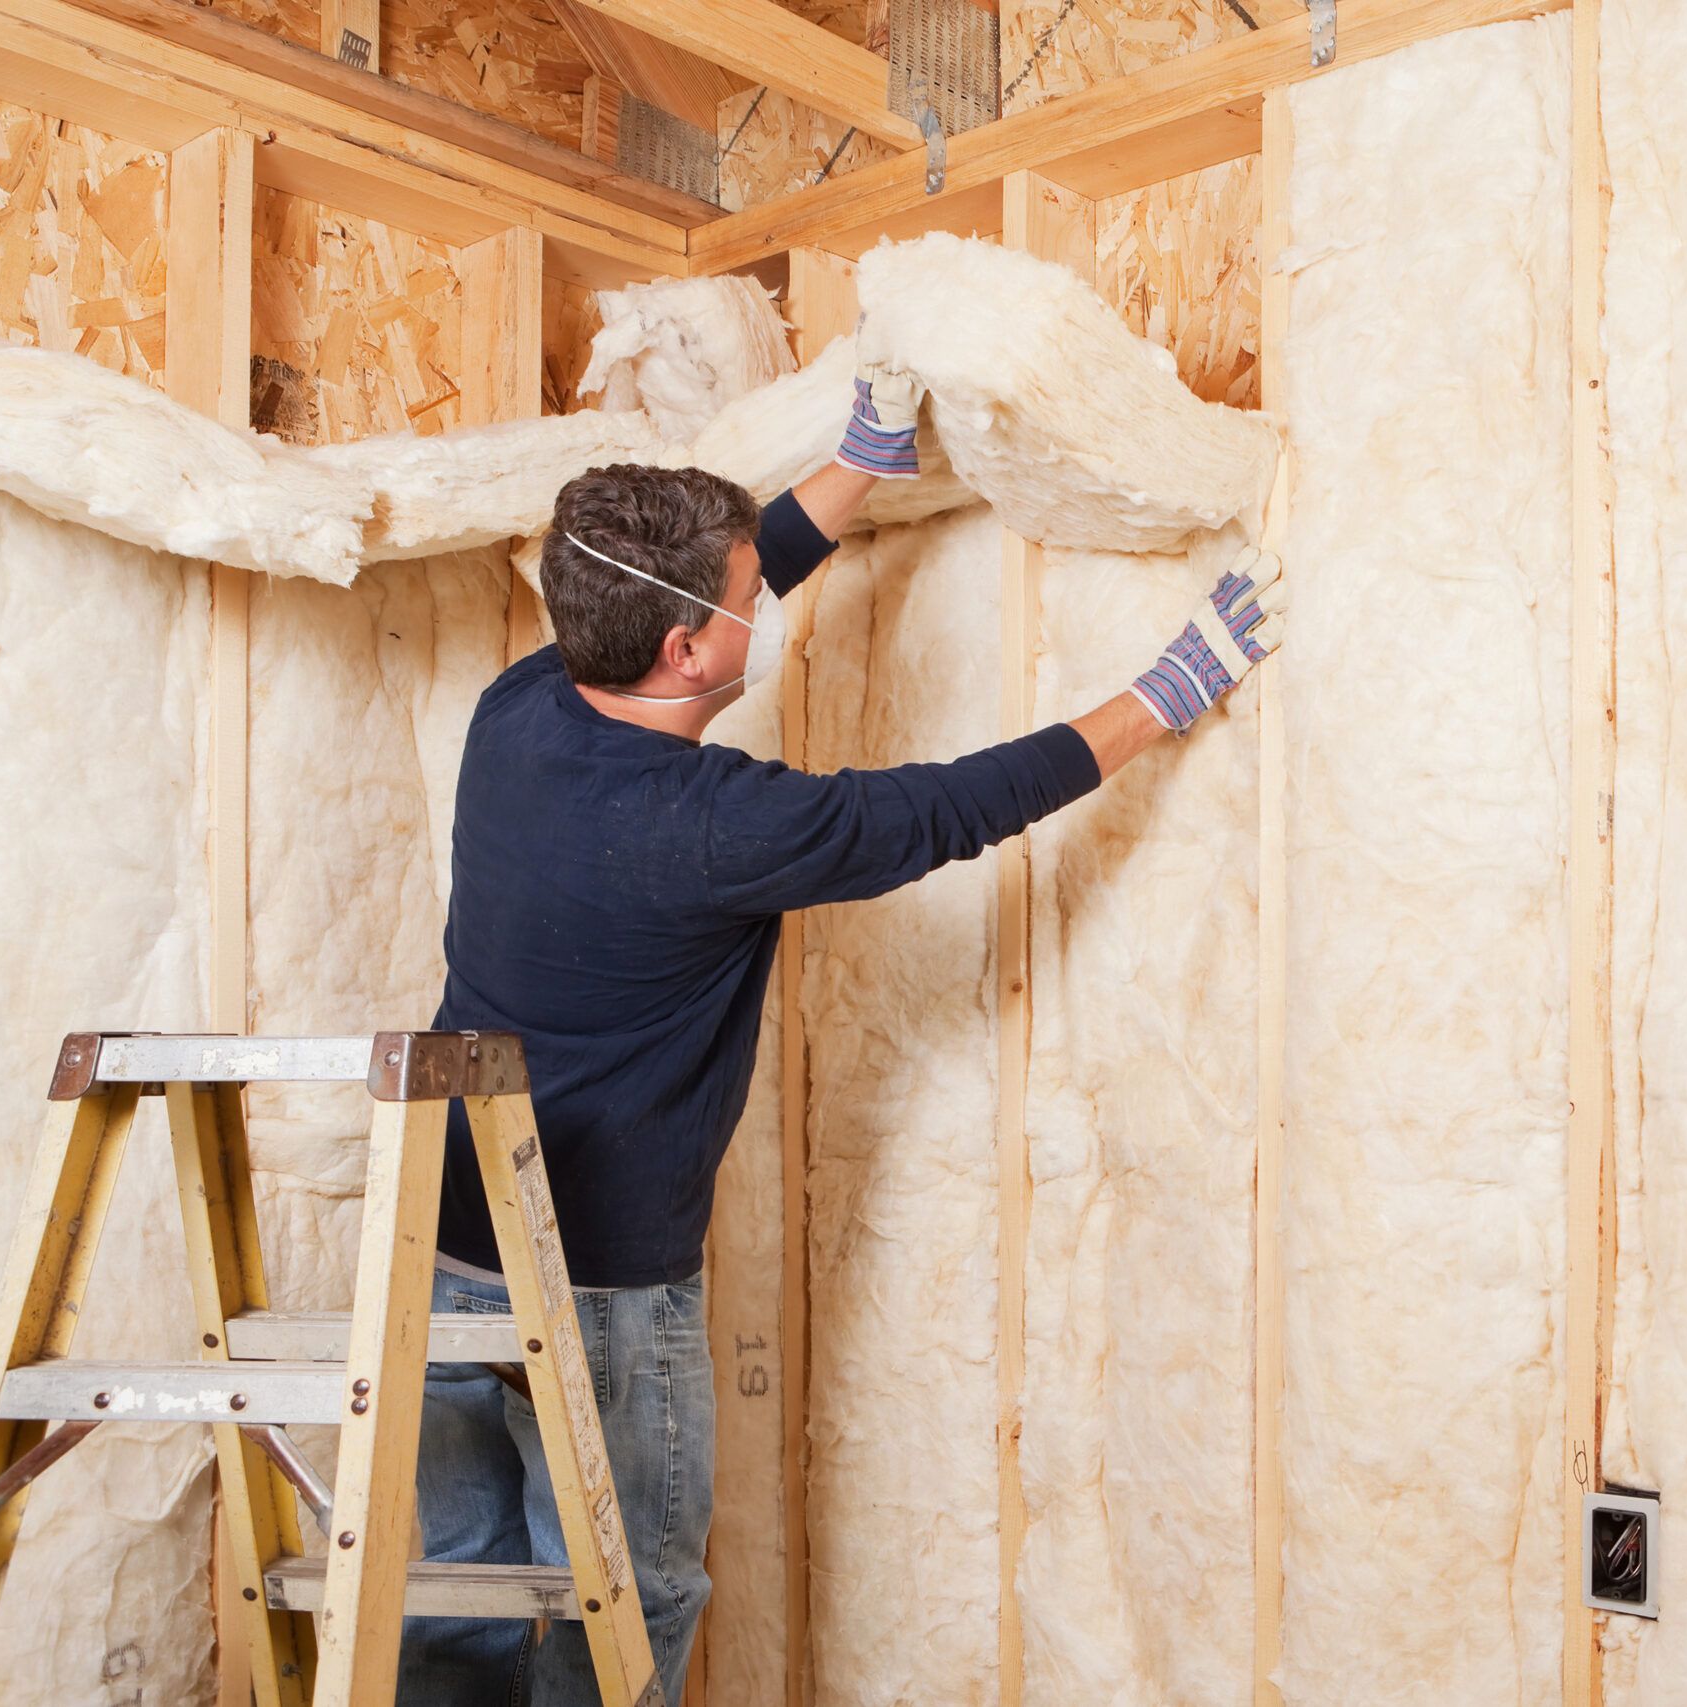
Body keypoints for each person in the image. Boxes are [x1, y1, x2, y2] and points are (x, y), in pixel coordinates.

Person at [397, 357, 1284, 1704]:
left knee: (455, 1578)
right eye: (749, 598)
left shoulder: (519, 706)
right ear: (690, 651)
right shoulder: (718, 827)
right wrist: (1159, 697)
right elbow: (947, 806)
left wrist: (857, 469)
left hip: (445, 1238)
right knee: (628, 1596)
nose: (762, 602)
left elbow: (695, 597)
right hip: (607, 1293)